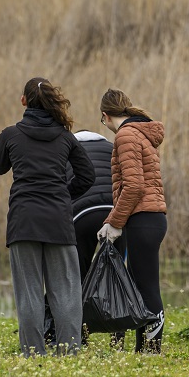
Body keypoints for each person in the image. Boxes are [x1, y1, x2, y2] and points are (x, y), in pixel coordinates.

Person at [0, 77, 95, 356]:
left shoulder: (11, 135)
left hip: (23, 222)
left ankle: (33, 353)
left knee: (29, 293)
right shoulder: (64, 137)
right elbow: (88, 176)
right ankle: (70, 352)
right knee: (67, 291)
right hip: (58, 222)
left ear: (24, 101)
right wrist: (63, 195)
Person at [98, 88, 167, 353]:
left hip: (143, 218)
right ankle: (145, 347)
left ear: (105, 116)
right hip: (151, 217)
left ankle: (151, 349)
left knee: (146, 287)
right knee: (142, 285)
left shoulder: (126, 135)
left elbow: (135, 186)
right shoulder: (140, 133)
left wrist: (113, 222)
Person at [44, 129, 124, 347]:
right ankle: (119, 338)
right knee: (119, 276)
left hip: (81, 216)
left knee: (75, 277)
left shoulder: (67, 150)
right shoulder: (113, 148)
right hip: (116, 215)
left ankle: (78, 335)